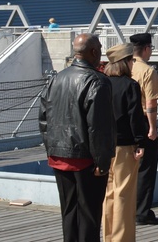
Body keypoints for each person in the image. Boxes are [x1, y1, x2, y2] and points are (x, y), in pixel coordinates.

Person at [39, 33, 115, 242]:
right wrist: (102, 161)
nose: (100, 52)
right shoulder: (98, 81)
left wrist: (51, 148)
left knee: (69, 212)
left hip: (59, 155)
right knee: (90, 215)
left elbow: (43, 119)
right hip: (86, 158)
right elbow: (98, 127)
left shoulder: (56, 79)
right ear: (93, 52)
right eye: (99, 48)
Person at [102, 42, 148, 241]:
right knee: (124, 195)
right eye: (131, 60)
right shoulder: (130, 86)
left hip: (104, 146)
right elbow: (134, 117)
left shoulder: (101, 84)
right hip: (124, 146)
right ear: (126, 62)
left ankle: (109, 235)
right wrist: (140, 142)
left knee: (108, 195)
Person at [130, 32, 158, 226]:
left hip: (125, 122)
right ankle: (142, 211)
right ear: (145, 49)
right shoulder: (147, 71)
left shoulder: (124, 66)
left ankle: (130, 208)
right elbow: (151, 103)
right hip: (143, 121)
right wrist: (153, 127)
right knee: (146, 169)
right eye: (150, 48)